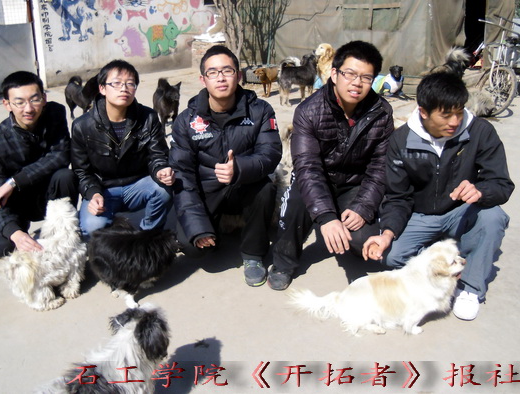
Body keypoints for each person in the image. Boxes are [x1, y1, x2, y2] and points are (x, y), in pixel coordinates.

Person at [362, 72, 514, 321]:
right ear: (423, 112)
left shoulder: (481, 132)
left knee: (493, 217)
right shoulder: (401, 140)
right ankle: (445, 255)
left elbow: (501, 184)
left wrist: (480, 191)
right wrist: (387, 233)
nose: (454, 121)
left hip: (461, 211)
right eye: (445, 115)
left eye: (459, 112)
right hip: (420, 214)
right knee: (391, 255)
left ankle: (470, 288)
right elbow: (398, 196)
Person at [268, 41, 394, 290]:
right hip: (316, 179)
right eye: (350, 74)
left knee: (363, 241)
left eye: (366, 77)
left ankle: (345, 231)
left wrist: (363, 207)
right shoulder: (308, 111)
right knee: (294, 209)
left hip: (354, 184)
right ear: (334, 74)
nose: (357, 83)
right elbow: (307, 167)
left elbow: (380, 167)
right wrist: (326, 216)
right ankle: (283, 262)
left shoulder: (382, 112)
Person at [170, 45, 282, 287]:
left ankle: (253, 254)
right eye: (212, 72)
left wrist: (239, 168)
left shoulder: (260, 110)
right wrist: (198, 229)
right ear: (203, 79)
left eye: (227, 70)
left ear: (238, 75)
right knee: (193, 247)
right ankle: (212, 232)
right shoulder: (186, 120)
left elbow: (270, 153)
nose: (220, 78)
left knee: (265, 188)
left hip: (245, 185)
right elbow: (182, 174)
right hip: (207, 190)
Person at [71, 59, 174, 239]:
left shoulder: (148, 117)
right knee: (92, 229)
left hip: (138, 184)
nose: (124, 89)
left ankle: (147, 237)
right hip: (103, 188)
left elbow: (157, 154)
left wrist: (160, 169)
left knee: (163, 190)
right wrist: (93, 193)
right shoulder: (82, 125)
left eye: (130, 84)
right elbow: (81, 171)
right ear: (102, 88)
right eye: (116, 83)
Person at [0, 71, 78, 258]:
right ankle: (20, 228)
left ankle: (64, 231)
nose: (29, 109)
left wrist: (14, 181)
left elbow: (62, 154)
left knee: (66, 176)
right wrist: (15, 233)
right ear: (7, 104)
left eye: (34, 99)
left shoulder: (55, 114)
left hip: (47, 194)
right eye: (19, 102)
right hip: (17, 204)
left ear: (44, 98)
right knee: (1, 247)